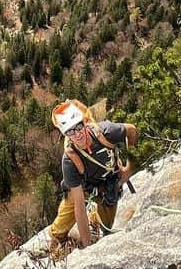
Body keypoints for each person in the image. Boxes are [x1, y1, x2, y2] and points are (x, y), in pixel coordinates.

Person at [48, 99, 138, 253]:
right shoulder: (70, 160)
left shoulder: (105, 132)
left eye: (78, 127)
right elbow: (79, 206)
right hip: (82, 188)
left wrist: (129, 169)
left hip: (108, 183)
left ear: (84, 122)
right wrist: (87, 248)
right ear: (66, 135)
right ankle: (56, 240)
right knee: (62, 223)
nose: (77, 134)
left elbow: (131, 130)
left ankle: (96, 220)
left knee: (106, 225)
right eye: (70, 131)